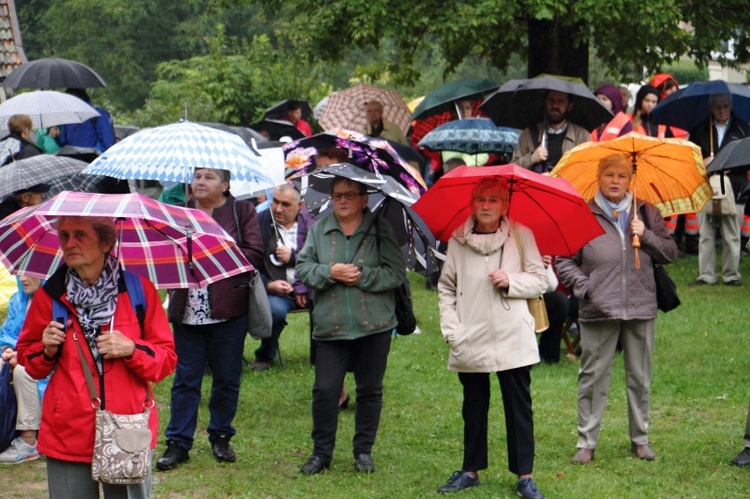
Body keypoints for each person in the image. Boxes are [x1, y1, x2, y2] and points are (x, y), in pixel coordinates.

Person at [16, 216, 177, 497]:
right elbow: (29, 363)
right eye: (64, 236)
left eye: (80, 235)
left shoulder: (139, 292)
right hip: (68, 430)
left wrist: (132, 349)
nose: (69, 243)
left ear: (106, 243)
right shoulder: (50, 296)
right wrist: (46, 349)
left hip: (127, 427)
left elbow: (165, 361)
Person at [556, 154, 678, 464]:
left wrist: (645, 234)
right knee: (593, 376)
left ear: (630, 180)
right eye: (608, 174)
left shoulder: (646, 212)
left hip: (640, 304)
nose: (615, 181)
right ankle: (586, 441)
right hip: (599, 306)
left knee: (640, 376)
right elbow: (563, 259)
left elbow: (669, 253)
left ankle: (640, 439)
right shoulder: (583, 213)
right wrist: (585, 287)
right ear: (598, 178)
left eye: (621, 176)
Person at [435, 177, 547, 499]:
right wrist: (452, 329)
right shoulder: (457, 240)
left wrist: (511, 280)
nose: (486, 206)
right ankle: (470, 470)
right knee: (473, 406)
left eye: (494, 200)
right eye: (481, 199)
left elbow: (541, 280)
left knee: (518, 407)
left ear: (505, 206)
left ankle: (525, 476)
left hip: (513, 335)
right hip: (471, 335)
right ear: (472, 204)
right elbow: (445, 288)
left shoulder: (521, 235)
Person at [295, 176, 405, 475]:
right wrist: (330, 271)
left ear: (364, 198)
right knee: (325, 390)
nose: (342, 200)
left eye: (350, 195)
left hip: (375, 325)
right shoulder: (319, 229)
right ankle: (321, 454)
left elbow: (395, 273)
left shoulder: (380, 229)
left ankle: (363, 452)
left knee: (370, 389)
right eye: (337, 195)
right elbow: (303, 269)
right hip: (331, 326)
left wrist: (361, 276)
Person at [158, 168, 263, 470]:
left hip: (229, 309)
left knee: (226, 378)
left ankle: (220, 436)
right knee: (185, 381)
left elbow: (254, 253)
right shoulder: (178, 213)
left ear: (226, 184)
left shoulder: (242, 210)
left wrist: (211, 248)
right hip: (186, 311)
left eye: (209, 177)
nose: (200, 182)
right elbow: (165, 254)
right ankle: (178, 443)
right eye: (197, 176)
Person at [688, 93, 749, 286]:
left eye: (725, 106)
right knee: (705, 233)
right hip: (707, 186)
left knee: (732, 233)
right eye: (717, 107)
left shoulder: (743, 128)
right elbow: (690, 157)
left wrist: (730, 165)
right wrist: (703, 163)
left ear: (731, 106)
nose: (722, 111)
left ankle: (731, 275)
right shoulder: (700, 129)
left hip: (734, 187)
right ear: (710, 108)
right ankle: (706, 275)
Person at [251, 184, 314, 371]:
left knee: (325, 307)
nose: (278, 209)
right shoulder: (259, 222)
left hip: (309, 289)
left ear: (300, 205)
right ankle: (265, 355)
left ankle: (320, 357)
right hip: (276, 292)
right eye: (275, 202)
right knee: (274, 311)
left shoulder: (312, 226)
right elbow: (250, 264)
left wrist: (294, 257)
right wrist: (269, 285)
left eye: (285, 204)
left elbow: (321, 261)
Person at [0, 276, 46, 464]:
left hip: (50, 365)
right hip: (20, 355)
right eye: (20, 273)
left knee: (23, 370)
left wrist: (23, 356)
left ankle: (28, 441)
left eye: (30, 273)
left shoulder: (58, 303)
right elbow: (8, 334)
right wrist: (6, 350)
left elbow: (60, 344)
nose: (24, 278)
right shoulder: (18, 300)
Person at [511, 90, 591, 173]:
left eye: (560, 101)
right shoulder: (529, 134)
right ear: (545, 103)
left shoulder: (582, 136)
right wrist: (531, 159)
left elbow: (589, 170)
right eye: (551, 100)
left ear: (569, 106)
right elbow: (512, 169)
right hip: (536, 185)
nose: (555, 105)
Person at [57, 88, 116, 153]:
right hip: (73, 159)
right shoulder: (69, 116)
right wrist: (57, 135)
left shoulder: (97, 113)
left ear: (80, 98)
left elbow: (108, 142)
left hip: (92, 159)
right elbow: (63, 142)